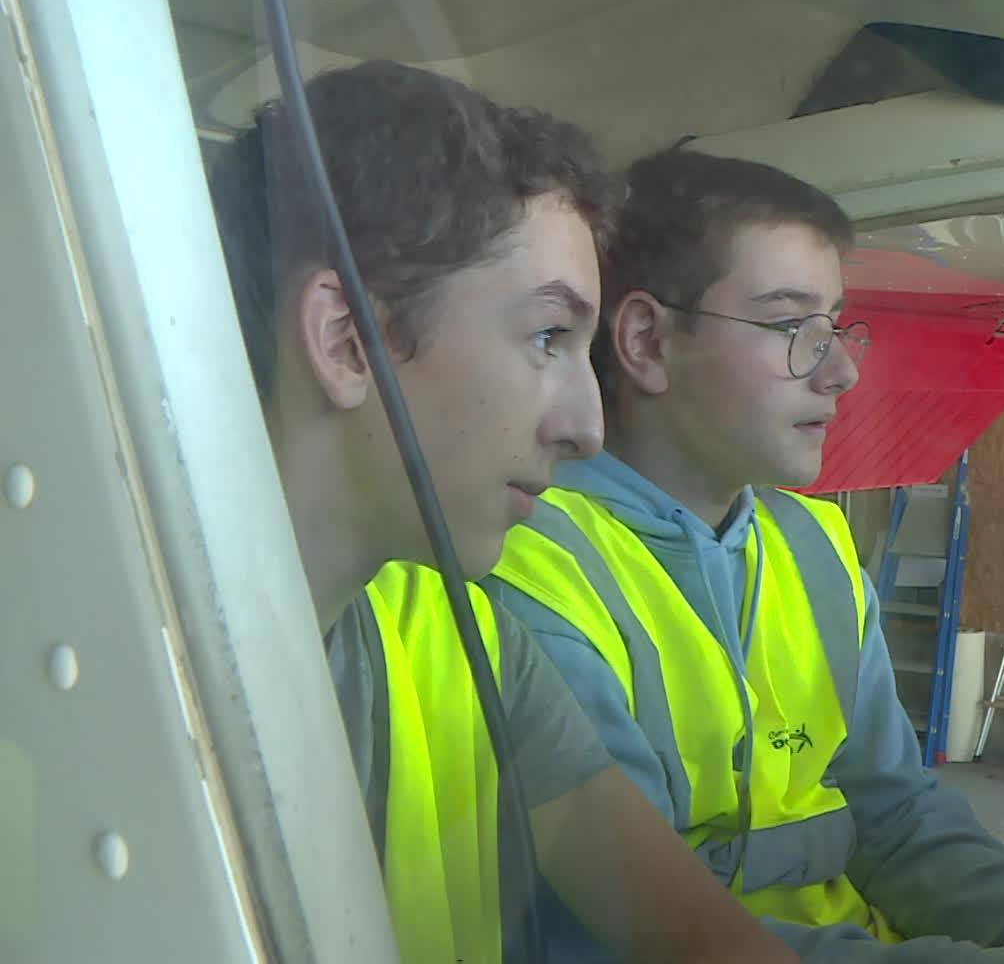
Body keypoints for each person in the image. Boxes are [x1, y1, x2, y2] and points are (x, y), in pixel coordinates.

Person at [206, 61, 799, 964]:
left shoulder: (472, 647)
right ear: (346, 340)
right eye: (547, 337)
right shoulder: (81, 673)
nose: (588, 428)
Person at [483, 149, 1004, 962]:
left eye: (837, 326)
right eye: (792, 325)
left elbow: (899, 819)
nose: (841, 370)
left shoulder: (821, 549)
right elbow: (639, 932)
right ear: (648, 342)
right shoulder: (527, 571)